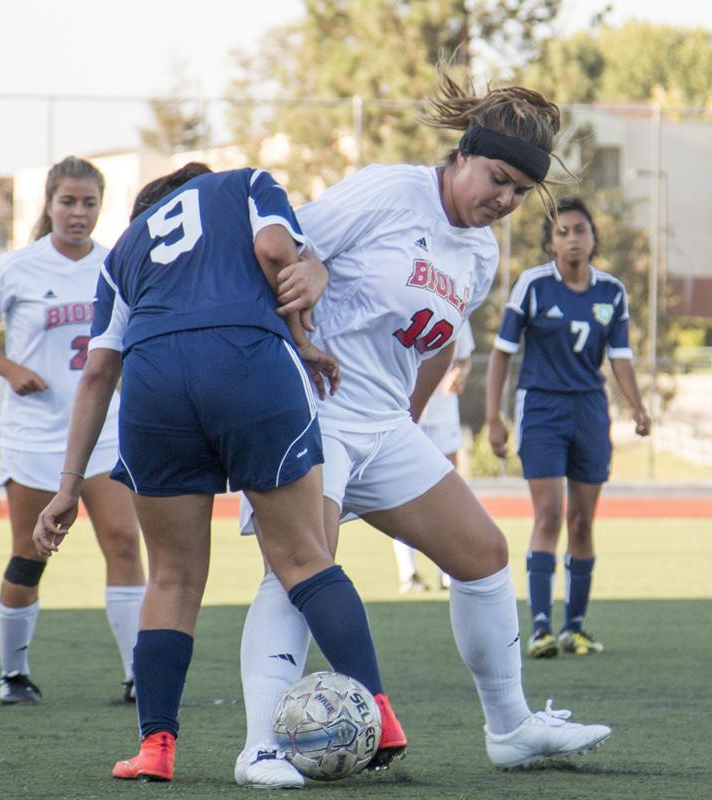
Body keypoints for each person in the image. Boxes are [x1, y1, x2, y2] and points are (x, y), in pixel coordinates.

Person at [235, 66, 613, 787]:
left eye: (517, 191)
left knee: (482, 553)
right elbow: (279, 243)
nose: (503, 199)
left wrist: (406, 420)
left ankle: (510, 727)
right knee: (297, 570)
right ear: (463, 153)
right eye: (496, 178)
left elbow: (439, 340)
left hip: (381, 421)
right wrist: (310, 269)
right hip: (313, 412)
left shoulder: (482, 252)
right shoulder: (390, 190)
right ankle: (259, 747)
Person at [34, 163, 406, 784]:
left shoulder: (122, 249)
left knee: (173, 577)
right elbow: (273, 248)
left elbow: (99, 371)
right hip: (245, 361)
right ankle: (383, 718)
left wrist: (68, 487)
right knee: (304, 558)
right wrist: (302, 339)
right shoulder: (244, 180)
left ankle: (155, 748)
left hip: (153, 383)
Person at [0, 156, 146, 705]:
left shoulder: (117, 264)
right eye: (68, 201)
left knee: (124, 541)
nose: (78, 213)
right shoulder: (18, 268)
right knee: (30, 554)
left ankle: (138, 674)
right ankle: (13, 675)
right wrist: (12, 370)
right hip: (36, 434)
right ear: (49, 203)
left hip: (106, 431)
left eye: (88, 203)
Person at [485, 197, 651, 659]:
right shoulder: (533, 285)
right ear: (550, 241)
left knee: (582, 520)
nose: (572, 238)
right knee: (549, 516)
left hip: (590, 412)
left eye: (580, 229)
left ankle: (574, 627)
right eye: (562, 232)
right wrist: (493, 416)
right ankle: (539, 629)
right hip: (540, 409)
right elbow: (501, 352)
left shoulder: (612, 293)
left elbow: (620, 359)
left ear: (594, 237)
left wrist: (637, 406)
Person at [394, 323, 476, 593]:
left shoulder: (456, 300)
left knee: (448, 491)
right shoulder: (397, 294)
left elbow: (463, 358)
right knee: (402, 492)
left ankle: (447, 569)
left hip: (442, 411)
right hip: (403, 411)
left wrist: (458, 373)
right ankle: (409, 573)